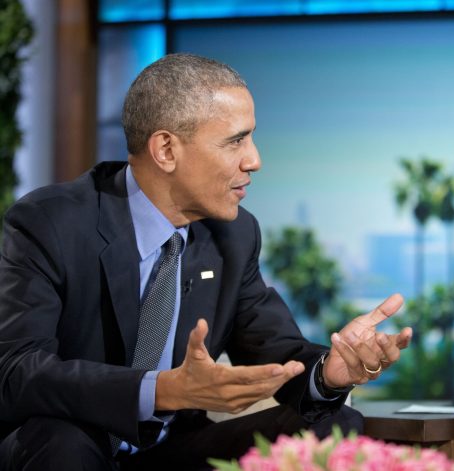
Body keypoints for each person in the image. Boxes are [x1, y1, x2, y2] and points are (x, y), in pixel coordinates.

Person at [0, 53, 412, 470]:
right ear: (165, 149)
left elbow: (277, 354)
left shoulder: (234, 234)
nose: (254, 160)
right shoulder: (51, 221)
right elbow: (16, 371)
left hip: (170, 451)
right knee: (62, 441)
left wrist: (329, 372)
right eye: (236, 140)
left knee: (334, 424)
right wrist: (162, 391)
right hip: (68, 442)